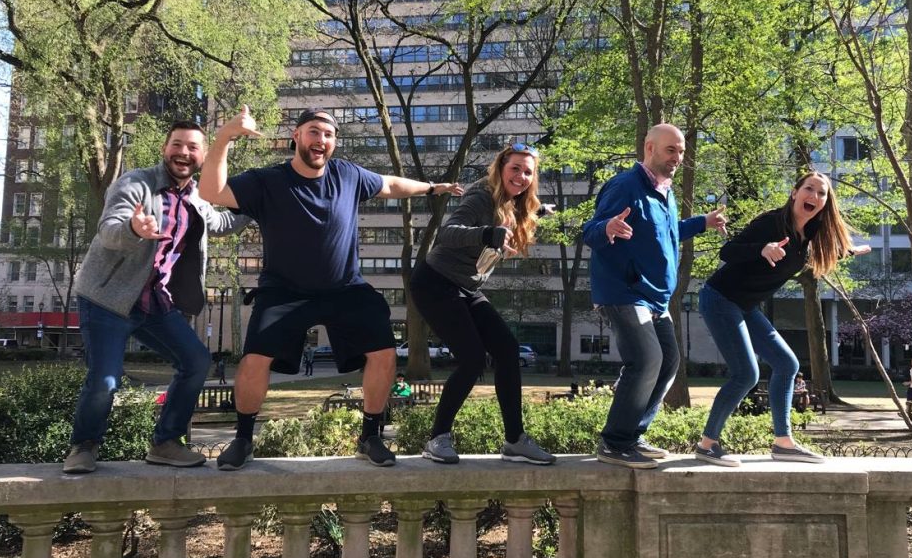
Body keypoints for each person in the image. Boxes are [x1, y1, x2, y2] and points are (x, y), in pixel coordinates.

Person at [199, 106, 462, 469]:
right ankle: (243, 439)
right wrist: (225, 136)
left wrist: (431, 187)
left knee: (384, 352)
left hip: (344, 289)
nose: (321, 139)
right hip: (284, 291)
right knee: (254, 359)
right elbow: (211, 191)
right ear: (296, 136)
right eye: (313, 131)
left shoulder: (348, 175)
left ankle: (370, 435)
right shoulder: (267, 181)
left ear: (334, 142)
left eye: (328, 134)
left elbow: (389, 184)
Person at [62, 119, 249, 474]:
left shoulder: (197, 197)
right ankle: (83, 446)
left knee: (196, 361)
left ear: (202, 156)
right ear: (165, 149)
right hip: (108, 299)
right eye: (177, 144)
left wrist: (257, 205)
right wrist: (134, 228)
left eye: (192, 147)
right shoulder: (136, 183)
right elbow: (109, 230)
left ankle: (166, 442)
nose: (183, 153)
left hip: (153, 301)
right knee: (105, 379)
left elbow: (221, 224)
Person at [694, 171, 870, 467]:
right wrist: (762, 248)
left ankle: (783, 443)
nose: (814, 196)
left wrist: (849, 251)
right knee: (746, 375)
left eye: (821, 193)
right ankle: (707, 444)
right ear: (794, 192)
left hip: (746, 306)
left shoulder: (809, 235)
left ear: (825, 203)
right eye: (809, 189)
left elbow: (820, 255)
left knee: (787, 364)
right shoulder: (772, 223)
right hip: (720, 298)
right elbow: (728, 251)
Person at [582, 124, 727, 469]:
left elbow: (669, 232)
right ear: (649, 148)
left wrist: (702, 222)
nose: (678, 157)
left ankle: (633, 434)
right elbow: (589, 231)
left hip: (655, 297)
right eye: (670, 150)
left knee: (669, 361)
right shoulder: (625, 186)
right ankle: (615, 442)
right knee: (646, 359)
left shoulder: (665, 192)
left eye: (681, 151)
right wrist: (607, 228)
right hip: (624, 291)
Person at [410, 144, 555, 465]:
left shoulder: (517, 203)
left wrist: (543, 210)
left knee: (507, 349)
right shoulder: (480, 197)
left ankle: (515, 440)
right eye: (515, 168)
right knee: (472, 359)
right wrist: (487, 234)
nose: (521, 176)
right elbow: (448, 232)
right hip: (435, 282)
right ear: (500, 168)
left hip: (467, 287)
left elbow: (525, 214)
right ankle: (437, 438)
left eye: (527, 172)